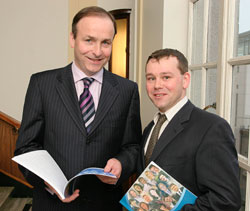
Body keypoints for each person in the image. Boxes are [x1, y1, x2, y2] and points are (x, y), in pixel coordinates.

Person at [14, 6, 142, 211]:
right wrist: (47, 182)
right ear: (73, 39)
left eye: (105, 43)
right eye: (89, 40)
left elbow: (133, 147)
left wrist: (122, 163)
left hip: (105, 205)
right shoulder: (42, 84)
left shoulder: (127, 90)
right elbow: (26, 148)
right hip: (52, 205)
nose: (97, 51)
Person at [137, 48, 241, 210]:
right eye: (151, 78)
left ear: (185, 80)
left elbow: (225, 202)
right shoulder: (150, 128)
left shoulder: (212, 128)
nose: (157, 85)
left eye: (166, 77)